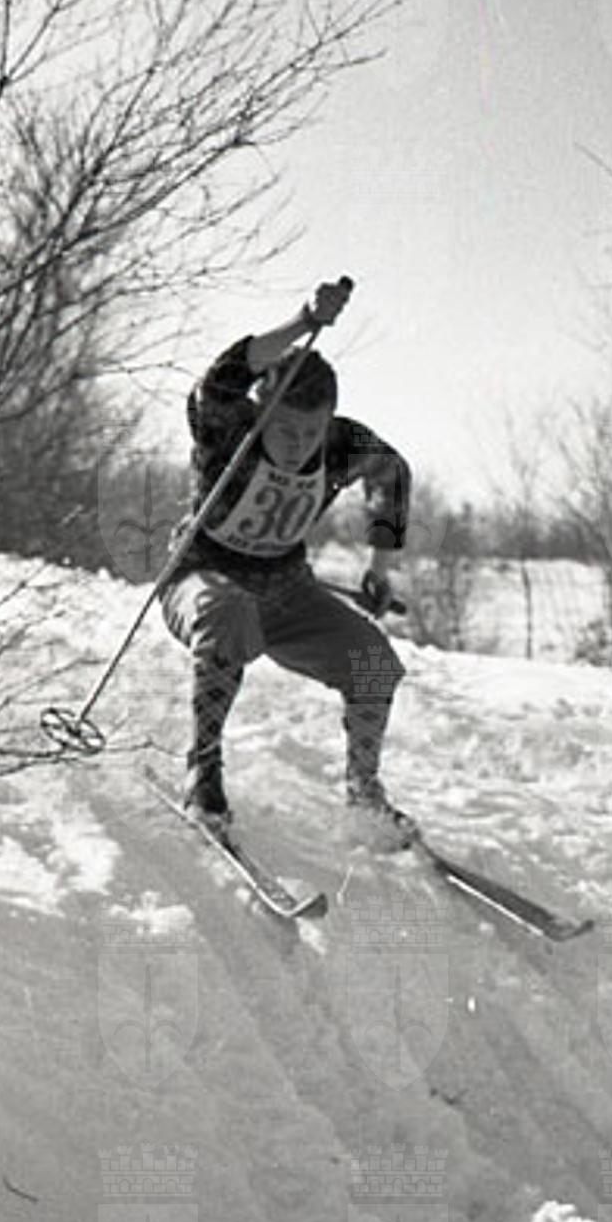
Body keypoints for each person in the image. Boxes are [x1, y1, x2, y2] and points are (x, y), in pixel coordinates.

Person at [160, 280, 412, 835]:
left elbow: (392, 475)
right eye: (285, 429)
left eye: (311, 430)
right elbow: (224, 375)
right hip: (201, 579)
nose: (298, 443)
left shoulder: (340, 443)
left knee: (374, 662)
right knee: (228, 613)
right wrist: (303, 320)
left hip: (284, 590)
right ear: (262, 412)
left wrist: (379, 568)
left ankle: (363, 790)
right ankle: (203, 771)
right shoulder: (230, 430)